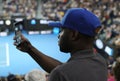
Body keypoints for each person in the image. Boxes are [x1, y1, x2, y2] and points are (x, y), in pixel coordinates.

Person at [14, 8, 108, 81]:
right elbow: (65, 69)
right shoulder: (101, 62)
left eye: (62, 30)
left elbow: (62, 71)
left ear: (74, 35)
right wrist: (30, 49)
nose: (59, 35)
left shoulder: (60, 75)